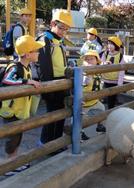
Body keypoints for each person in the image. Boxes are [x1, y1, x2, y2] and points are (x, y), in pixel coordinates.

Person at [1, 35, 44, 176]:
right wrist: (26, 82)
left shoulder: (27, 67)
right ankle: (9, 165)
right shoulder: (15, 67)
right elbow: (7, 80)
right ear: (27, 54)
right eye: (35, 50)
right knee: (12, 138)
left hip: (19, 110)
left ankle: (14, 159)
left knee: (18, 136)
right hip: (11, 111)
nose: (38, 53)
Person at [37, 9, 73, 145]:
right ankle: (46, 143)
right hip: (51, 84)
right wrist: (48, 88)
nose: (63, 31)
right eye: (61, 27)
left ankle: (56, 143)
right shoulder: (45, 39)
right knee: (52, 115)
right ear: (53, 23)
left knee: (61, 114)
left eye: (66, 29)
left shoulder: (59, 40)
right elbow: (44, 66)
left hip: (62, 82)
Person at [79, 50, 106, 141]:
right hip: (84, 102)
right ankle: (80, 134)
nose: (89, 61)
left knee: (102, 109)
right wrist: (87, 77)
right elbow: (84, 82)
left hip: (94, 100)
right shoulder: (84, 72)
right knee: (80, 119)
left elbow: (104, 67)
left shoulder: (98, 70)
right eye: (87, 60)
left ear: (97, 61)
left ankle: (100, 125)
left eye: (91, 59)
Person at [101, 36, 125, 109]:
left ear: (116, 46)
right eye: (108, 44)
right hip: (105, 79)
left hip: (114, 81)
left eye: (111, 44)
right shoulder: (105, 54)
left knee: (112, 99)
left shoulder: (120, 56)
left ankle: (110, 112)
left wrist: (119, 83)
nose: (109, 46)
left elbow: (122, 70)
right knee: (103, 97)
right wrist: (104, 63)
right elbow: (100, 63)